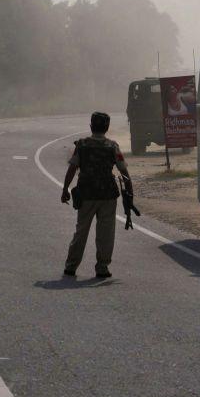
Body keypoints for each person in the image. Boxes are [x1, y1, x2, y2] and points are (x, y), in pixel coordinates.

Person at [61, 111, 132, 278]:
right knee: (105, 234)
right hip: (107, 196)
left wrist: (65, 189)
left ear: (91, 126)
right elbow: (124, 172)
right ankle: (102, 268)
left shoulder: (83, 145)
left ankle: (71, 266)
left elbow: (72, 168)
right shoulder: (113, 146)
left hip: (86, 194)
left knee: (81, 231)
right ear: (107, 128)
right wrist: (130, 193)